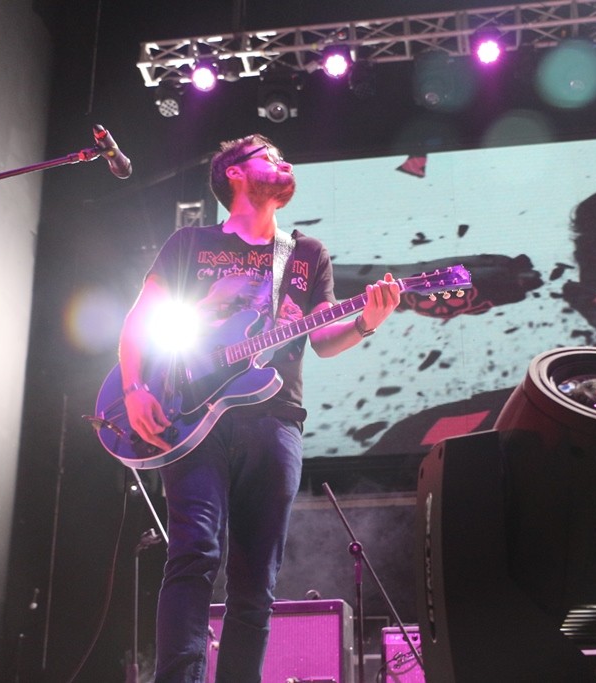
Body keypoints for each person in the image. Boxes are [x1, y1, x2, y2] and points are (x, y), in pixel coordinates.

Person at [117, 133, 400, 683]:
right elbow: (140, 320)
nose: (285, 161)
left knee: (256, 582)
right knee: (193, 554)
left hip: (275, 419)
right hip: (190, 417)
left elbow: (322, 339)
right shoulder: (190, 243)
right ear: (235, 173)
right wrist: (134, 389)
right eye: (271, 156)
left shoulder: (307, 254)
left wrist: (367, 321)